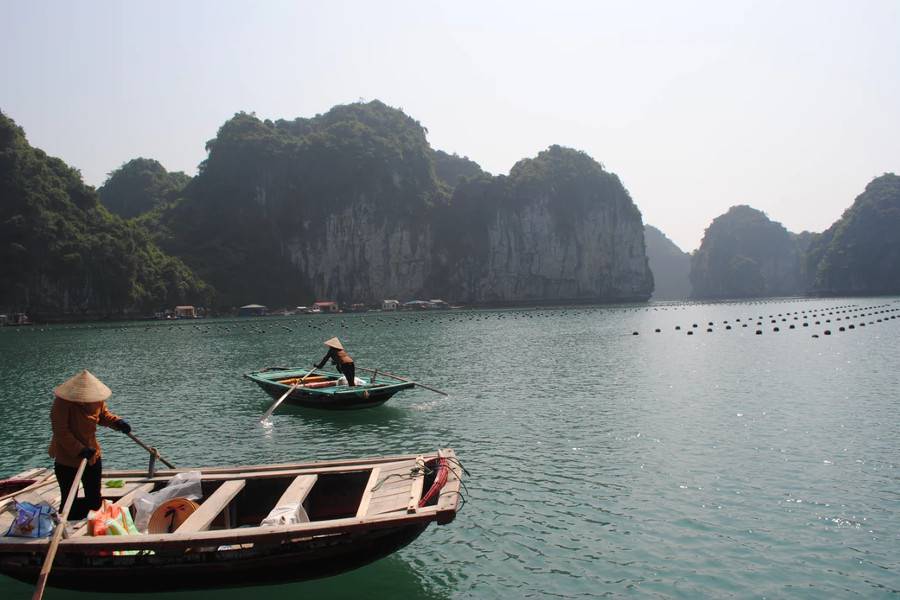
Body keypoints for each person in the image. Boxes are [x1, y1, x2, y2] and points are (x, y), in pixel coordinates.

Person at [48, 370, 132, 520]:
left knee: (94, 497)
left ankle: (95, 528)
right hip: (67, 458)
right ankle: (66, 534)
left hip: (92, 455)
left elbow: (103, 415)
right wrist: (79, 450)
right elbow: (61, 431)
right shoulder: (62, 403)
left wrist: (117, 422)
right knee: (69, 499)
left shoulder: (95, 399)